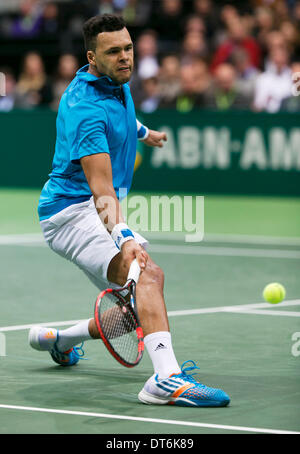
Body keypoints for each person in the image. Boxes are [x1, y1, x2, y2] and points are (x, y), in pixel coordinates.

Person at [28, 14, 230, 408]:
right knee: (147, 274)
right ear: (91, 58)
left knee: (134, 310)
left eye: (128, 48)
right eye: (113, 52)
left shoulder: (113, 80)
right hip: (71, 212)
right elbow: (100, 188)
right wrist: (123, 238)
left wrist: (143, 132)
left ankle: (59, 341)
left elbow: (119, 115)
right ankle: (165, 380)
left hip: (91, 207)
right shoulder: (84, 109)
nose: (125, 57)